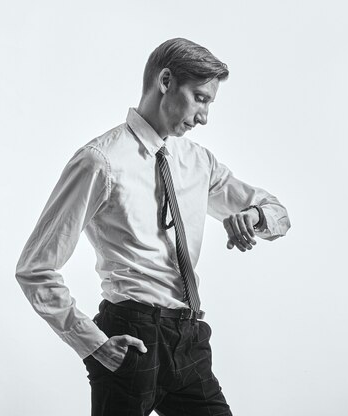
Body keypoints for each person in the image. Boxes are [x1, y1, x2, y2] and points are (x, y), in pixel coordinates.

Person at [15, 37, 291, 416]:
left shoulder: (198, 162)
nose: (205, 117)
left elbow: (277, 212)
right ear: (165, 82)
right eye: (201, 98)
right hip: (132, 336)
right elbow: (35, 268)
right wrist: (92, 344)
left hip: (189, 337)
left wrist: (255, 216)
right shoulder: (100, 161)